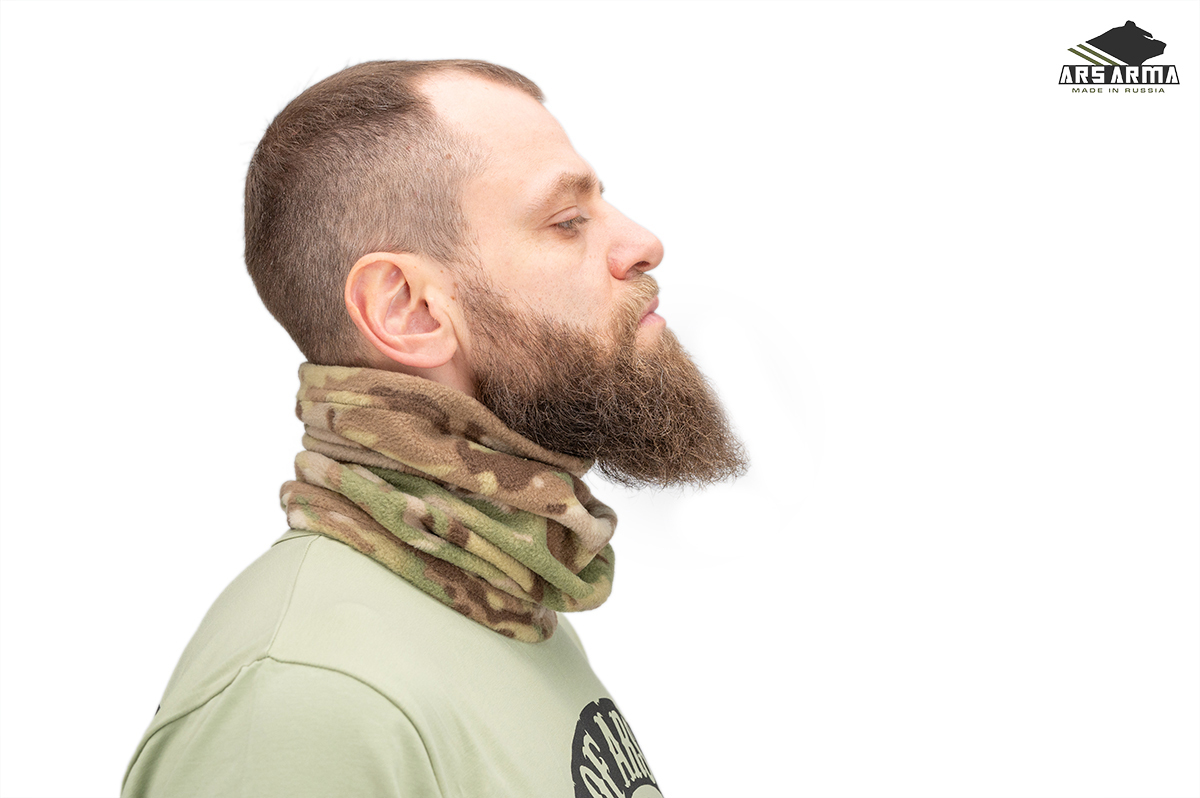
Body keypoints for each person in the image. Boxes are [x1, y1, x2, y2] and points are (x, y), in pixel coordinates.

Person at [120, 59, 746, 797]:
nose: (643, 242)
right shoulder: (310, 697)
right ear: (408, 310)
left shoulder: (500, 592)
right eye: (567, 222)